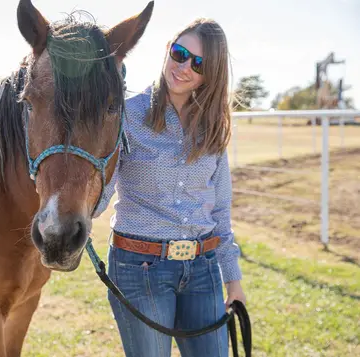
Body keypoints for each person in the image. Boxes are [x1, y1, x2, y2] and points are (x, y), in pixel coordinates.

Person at [93, 18, 246, 357]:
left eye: (198, 63)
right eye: (180, 54)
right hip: (139, 268)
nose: (184, 67)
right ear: (167, 51)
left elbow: (219, 210)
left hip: (203, 267)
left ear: (211, 73)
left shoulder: (213, 127)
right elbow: (101, 195)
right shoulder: (125, 115)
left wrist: (232, 279)